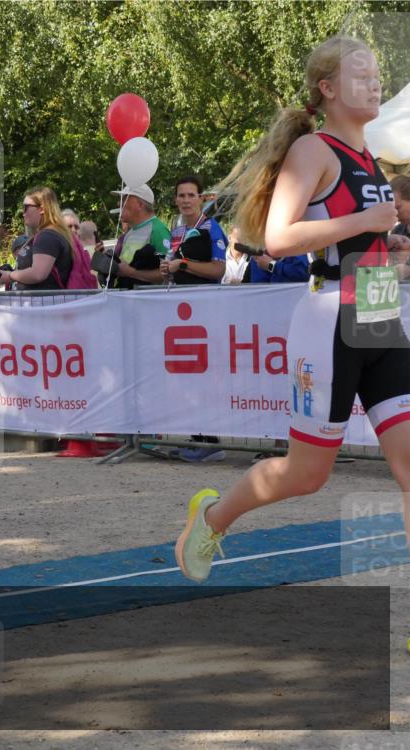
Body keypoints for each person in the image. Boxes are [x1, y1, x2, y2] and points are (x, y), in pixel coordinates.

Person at [175, 36, 408, 583]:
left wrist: (385, 247)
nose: (376, 82)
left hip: (378, 313)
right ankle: (212, 517)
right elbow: (277, 239)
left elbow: (354, 236)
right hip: (330, 320)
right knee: (308, 475)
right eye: (361, 74)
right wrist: (365, 225)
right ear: (327, 89)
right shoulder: (314, 152)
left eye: (378, 72)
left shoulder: (367, 156)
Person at [0, 187, 72, 290]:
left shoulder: (47, 236)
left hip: (42, 303)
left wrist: (10, 276)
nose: (22, 212)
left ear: (42, 209)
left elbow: (38, 274)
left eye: (26, 207)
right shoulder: (51, 234)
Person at [97, 185, 168, 289]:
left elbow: (167, 274)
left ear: (139, 204)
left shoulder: (158, 231)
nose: (119, 203)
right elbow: (124, 266)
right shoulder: (131, 232)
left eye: (125, 199)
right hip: (127, 299)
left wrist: (132, 273)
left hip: (148, 302)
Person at [161, 175, 227, 285]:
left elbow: (219, 270)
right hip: (178, 297)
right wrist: (166, 270)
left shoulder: (212, 227)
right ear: (175, 200)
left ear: (201, 199)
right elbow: (170, 273)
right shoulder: (176, 232)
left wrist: (182, 264)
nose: (186, 200)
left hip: (204, 297)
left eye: (191, 195)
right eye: (181, 196)